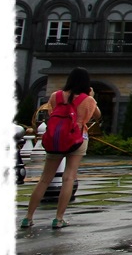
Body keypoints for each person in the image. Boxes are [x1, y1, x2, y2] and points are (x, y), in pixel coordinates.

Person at [20, 67, 100, 229]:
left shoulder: (56, 96)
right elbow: (96, 116)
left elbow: (51, 113)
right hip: (77, 138)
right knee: (69, 177)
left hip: (55, 138)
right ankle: (59, 218)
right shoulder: (87, 100)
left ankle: (28, 217)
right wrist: (92, 98)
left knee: (44, 179)